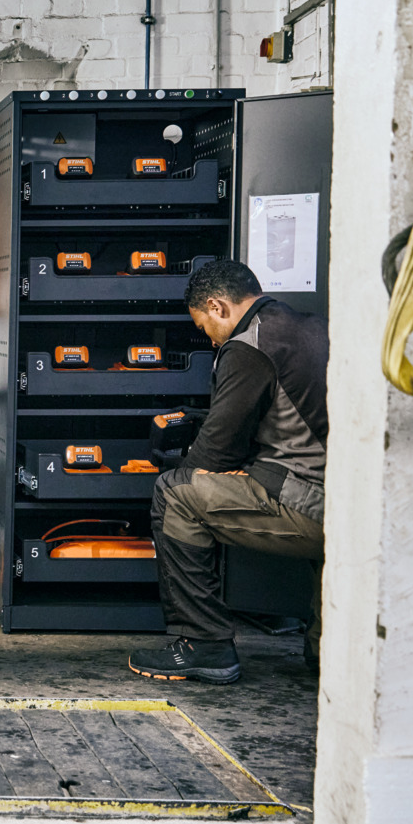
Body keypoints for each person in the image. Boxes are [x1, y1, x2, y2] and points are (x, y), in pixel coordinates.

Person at [130, 259, 328, 685]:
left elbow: (213, 453)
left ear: (218, 307)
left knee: (176, 493)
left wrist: (204, 472)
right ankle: (325, 650)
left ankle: (205, 646)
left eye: (205, 327)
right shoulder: (315, 326)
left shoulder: (247, 347)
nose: (210, 338)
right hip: (347, 499)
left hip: (309, 504)